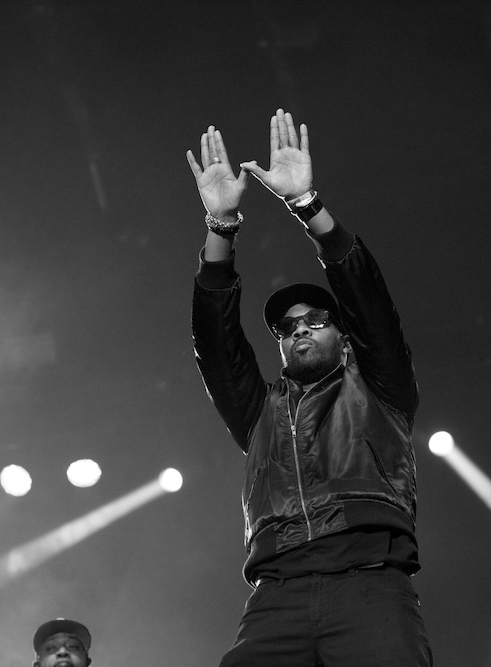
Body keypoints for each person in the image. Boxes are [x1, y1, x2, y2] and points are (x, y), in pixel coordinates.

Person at [187, 109, 432, 667]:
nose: (299, 328)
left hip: (368, 586)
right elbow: (215, 343)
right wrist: (221, 227)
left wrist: (307, 206)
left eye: (316, 319)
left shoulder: (380, 388)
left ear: (345, 339)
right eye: (287, 326)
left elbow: (370, 303)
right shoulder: (260, 412)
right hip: (277, 596)